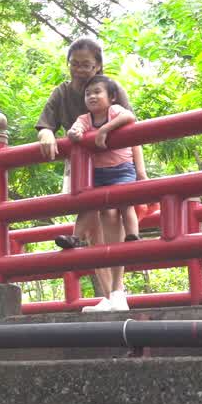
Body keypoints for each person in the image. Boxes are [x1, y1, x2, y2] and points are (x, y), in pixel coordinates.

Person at [35, 38, 148, 297]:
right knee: (91, 227)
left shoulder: (111, 88)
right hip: (82, 167)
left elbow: (133, 129)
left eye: (86, 64)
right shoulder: (61, 93)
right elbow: (45, 125)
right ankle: (108, 294)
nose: (79, 69)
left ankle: (118, 289)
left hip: (116, 164)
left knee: (112, 216)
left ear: (98, 66)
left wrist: (140, 172)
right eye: (74, 64)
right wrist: (47, 134)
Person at [67, 74, 138, 312]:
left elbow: (132, 123)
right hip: (92, 175)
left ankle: (118, 291)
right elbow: (73, 129)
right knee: (91, 222)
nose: (92, 96)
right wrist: (75, 133)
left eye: (97, 92)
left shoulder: (116, 108)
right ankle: (110, 297)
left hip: (120, 171)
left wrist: (104, 130)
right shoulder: (78, 110)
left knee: (117, 211)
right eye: (89, 93)